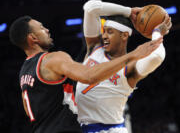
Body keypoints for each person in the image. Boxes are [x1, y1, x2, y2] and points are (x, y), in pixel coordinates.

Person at [9, 15, 162, 133]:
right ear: (33, 38)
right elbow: (89, 76)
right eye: (41, 28)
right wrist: (132, 55)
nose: (47, 30)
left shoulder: (24, 72)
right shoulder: (53, 59)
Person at [75, 0, 172, 133]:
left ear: (124, 35)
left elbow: (157, 56)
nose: (104, 36)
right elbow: (90, 8)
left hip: (109, 130)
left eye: (110, 32)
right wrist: (128, 11)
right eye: (104, 31)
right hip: (81, 127)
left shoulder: (130, 67)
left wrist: (157, 33)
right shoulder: (94, 48)